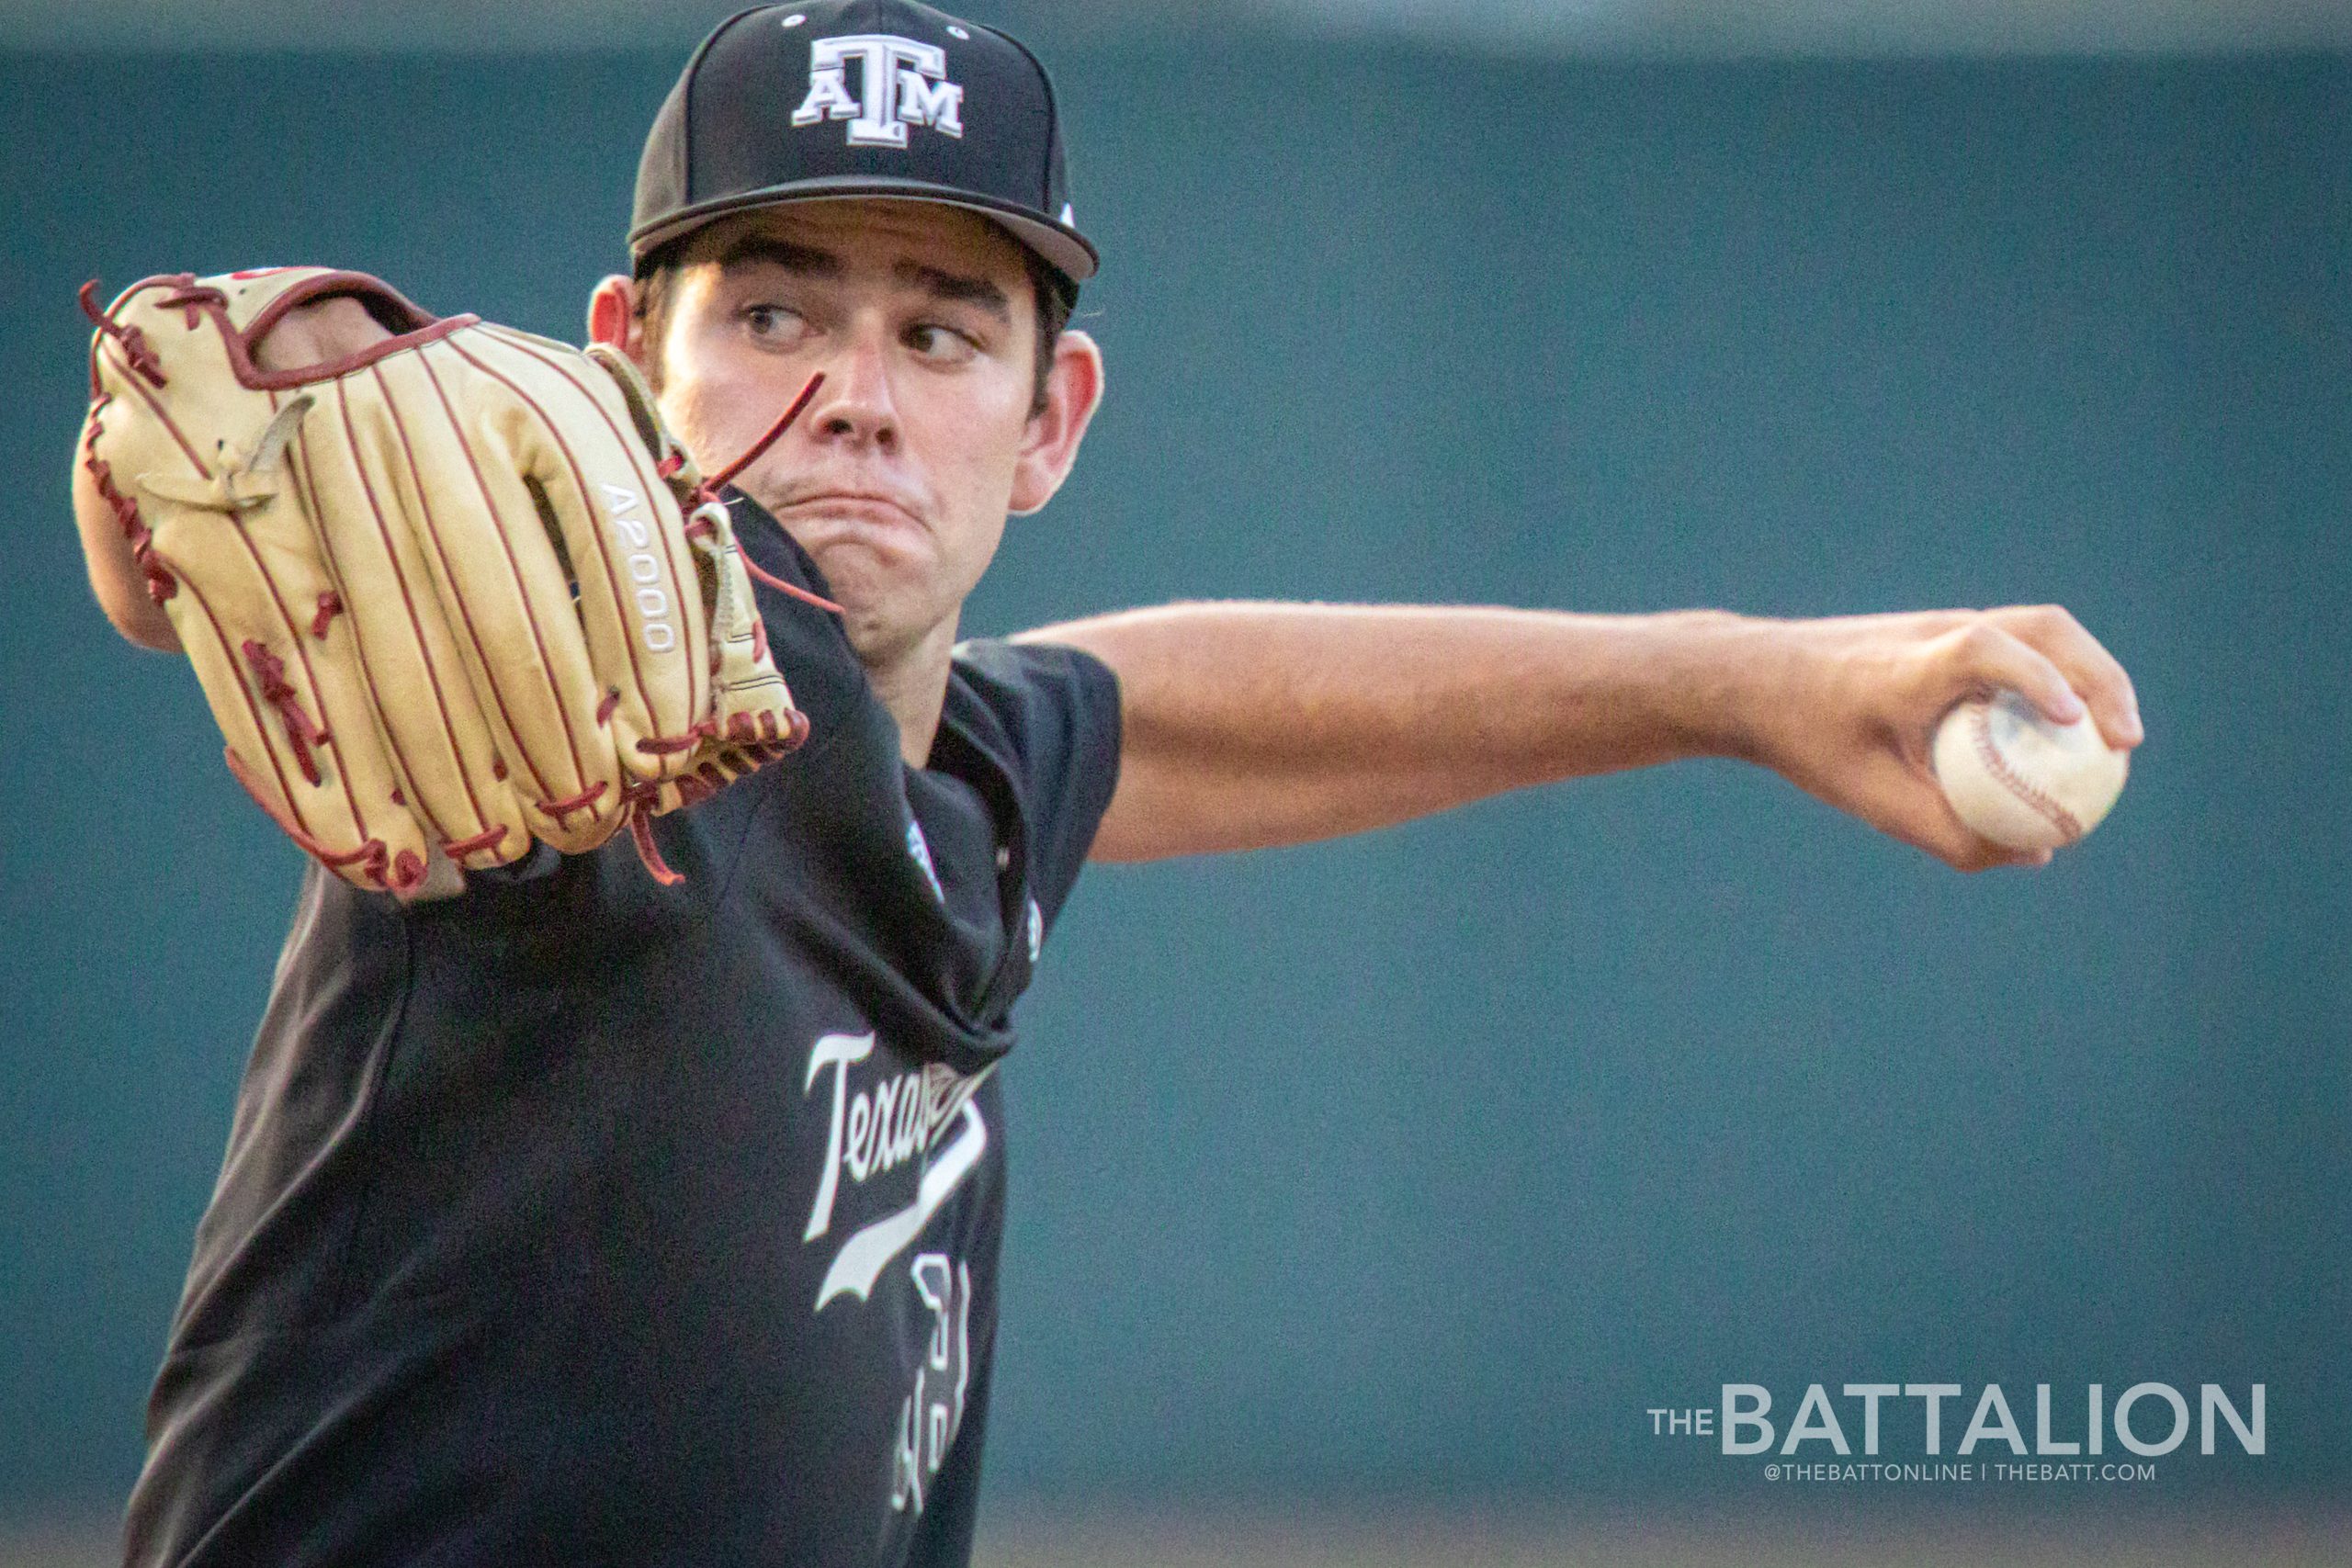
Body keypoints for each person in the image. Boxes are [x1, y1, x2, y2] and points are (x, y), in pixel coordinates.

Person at [76, 4, 2141, 1565]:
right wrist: (277, 401)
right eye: (775, 306)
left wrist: (1751, 683)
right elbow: (295, 453)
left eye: (939, 329)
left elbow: (1169, 705)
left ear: (1050, 419)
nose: (855, 397)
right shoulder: (576, 744)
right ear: (624, 357)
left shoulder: (950, 765)